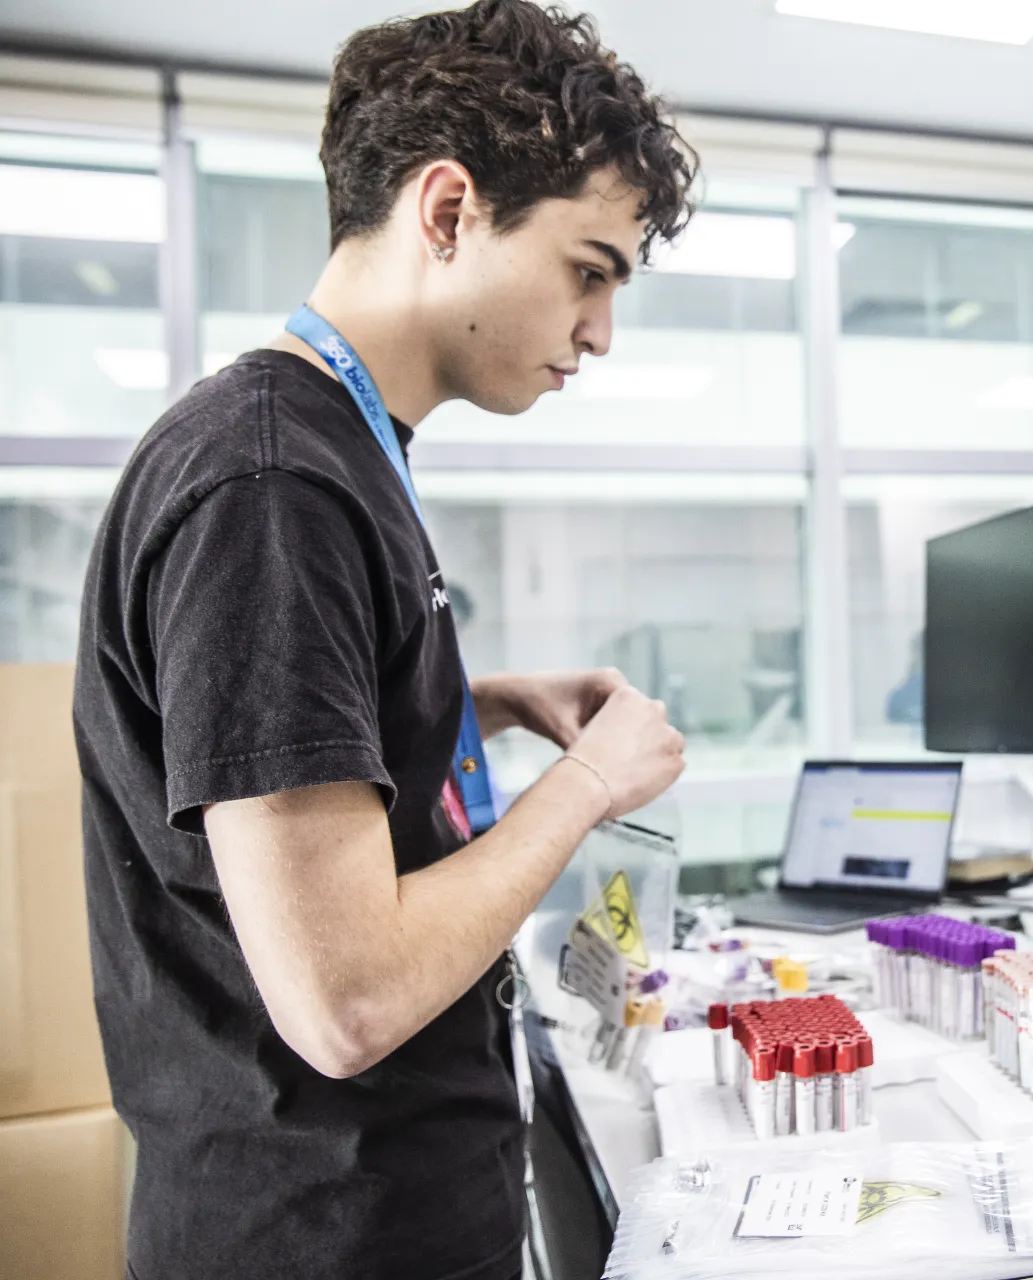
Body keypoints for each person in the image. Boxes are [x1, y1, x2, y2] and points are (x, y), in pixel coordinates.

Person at [71, 3, 696, 1277]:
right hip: (321, 1233)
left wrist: (477, 701)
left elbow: (303, 768)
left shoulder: (334, 455)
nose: (599, 333)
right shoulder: (269, 487)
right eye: (589, 269)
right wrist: (589, 785)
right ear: (451, 207)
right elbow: (344, 997)